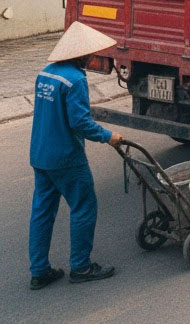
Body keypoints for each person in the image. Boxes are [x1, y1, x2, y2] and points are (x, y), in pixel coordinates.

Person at [28, 21, 124, 290]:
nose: (92, 58)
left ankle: (39, 271)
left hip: (40, 154)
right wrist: (108, 136)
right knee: (83, 206)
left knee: (42, 212)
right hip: (66, 158)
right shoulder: (76, 80)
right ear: (81, 54)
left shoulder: (45, 74)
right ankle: (81, 267)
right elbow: (80, 122)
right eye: (90, 54)